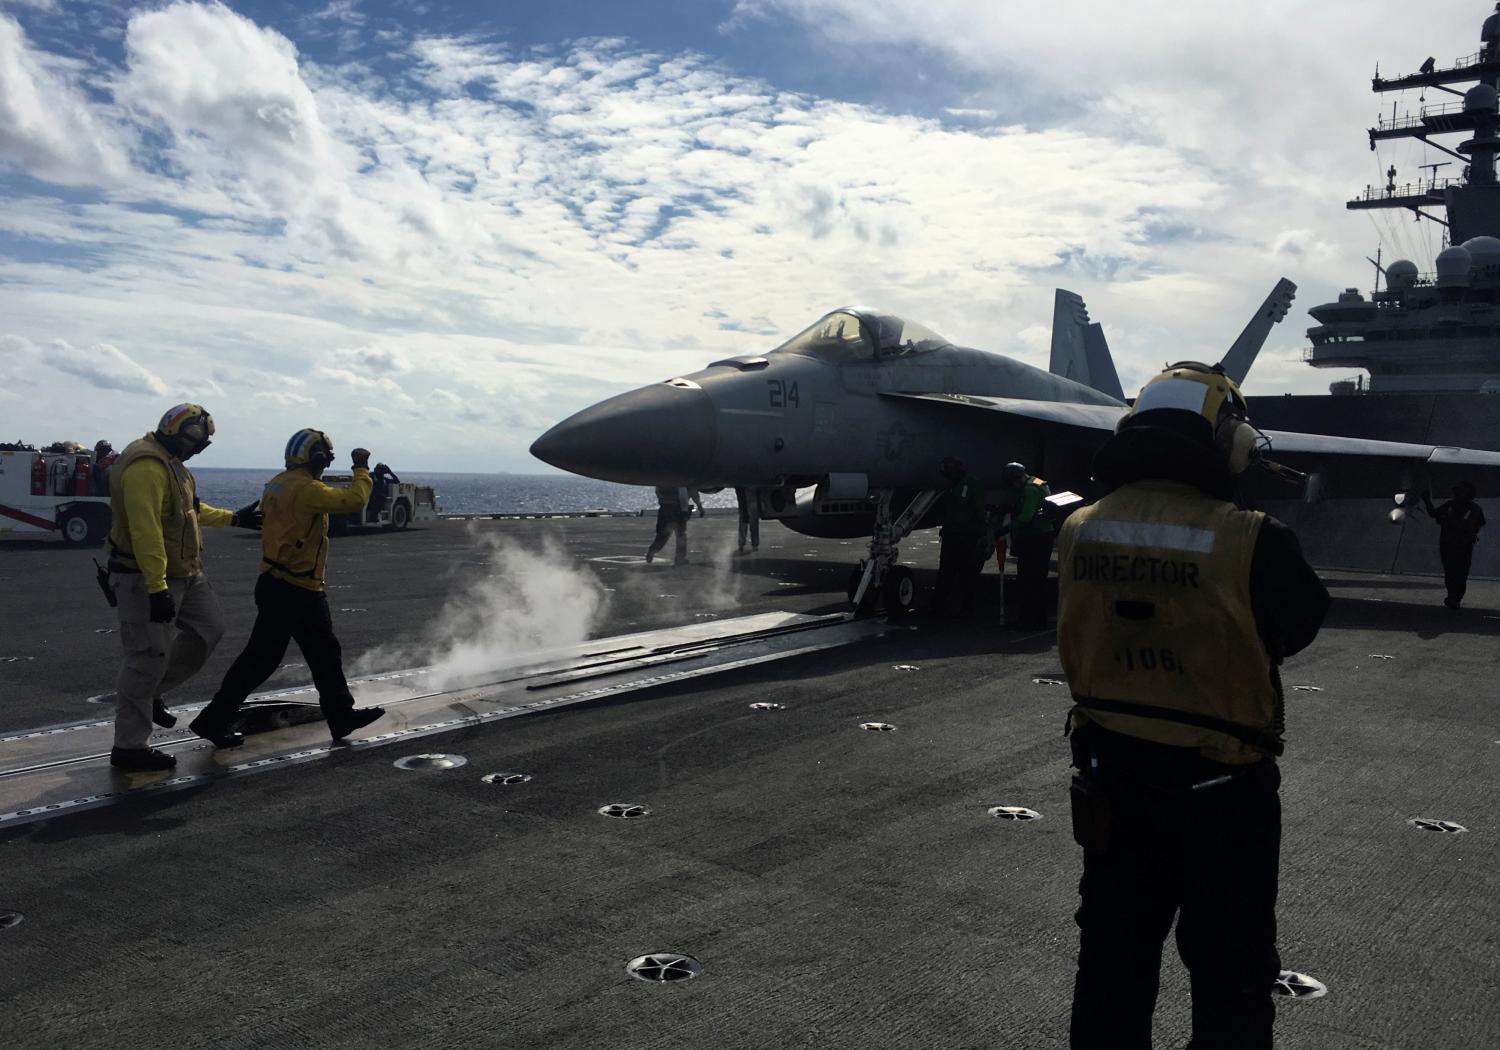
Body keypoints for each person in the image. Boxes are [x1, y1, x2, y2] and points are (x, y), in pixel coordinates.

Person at [1056, 362, 1329, 1049]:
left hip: (1111, 784)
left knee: (1111, 969)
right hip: (1222, 796)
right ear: (1228, 440)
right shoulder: (1252, 538)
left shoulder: (1078, 529)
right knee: (1232, 977)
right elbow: (1295, 626)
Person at [190, 429, 386, 747]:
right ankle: (213, 718)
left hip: (287, 583)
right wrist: (361, 468)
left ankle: (341, 716)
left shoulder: (277, 483)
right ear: (318, 459)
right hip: (292, 587)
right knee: (261, 660)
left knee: (323, 653)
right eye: (325, 459)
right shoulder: (307, 489)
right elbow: (354, 500)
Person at [105, 404, 262, 771]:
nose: (198, 449)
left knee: (209, 630)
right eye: (197, 442)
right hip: (144, 577)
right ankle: (128, 747)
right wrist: (157, 588)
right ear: (180, 434)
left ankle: (154, 692)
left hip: (186, 574)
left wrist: (233, 517)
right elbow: (147, 532)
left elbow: (189, 511)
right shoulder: (147, 467)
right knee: (146, 658)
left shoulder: (174, 465)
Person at [994, 461, 1055, 629]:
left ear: (1016, 478)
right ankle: (1037, 619)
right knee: (1038, 579)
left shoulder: (1029, 489)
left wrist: (1006, 527)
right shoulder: (1038, 482)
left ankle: (1029, 620)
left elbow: (1026, 516)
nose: (1013, 487)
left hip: (1035, 538)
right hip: (1043, 536)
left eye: (1013, 483)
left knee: (1029, 579)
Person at [930, 457, 988, 616]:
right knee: (945, 572)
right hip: (951, 535)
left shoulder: (972, 484)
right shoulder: (951, 486)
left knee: (967, 573)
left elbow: (979, 510)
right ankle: (938, 606)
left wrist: (983, 533)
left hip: (968, 536)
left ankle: (967, 607)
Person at [1421, 481, 1485, 609]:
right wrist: (1427, 500)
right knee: (1453, 573)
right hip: (1452, 545)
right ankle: (1453, 598)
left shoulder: (1472, 509)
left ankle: (1454, 598)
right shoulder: (1456, 506)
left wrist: (1428, 501)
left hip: (1458, 545)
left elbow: (1474, 524)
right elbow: (1435, 514)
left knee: (1458, 574)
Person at [645, 485, 702, 565]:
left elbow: (657, 491)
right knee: (680, 535)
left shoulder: (663, 480)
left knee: (663, 534)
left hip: (664, 508)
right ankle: (680, 559)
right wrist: (686, 510)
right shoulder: (682, 480)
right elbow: (684, 495)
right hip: (677, 510)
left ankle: (652, 551)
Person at [735, 485, 760, 554]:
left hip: (742, 486)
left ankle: (742, 544)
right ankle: (754, 544)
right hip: (750, 486)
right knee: (753, 519)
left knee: (743, 519)